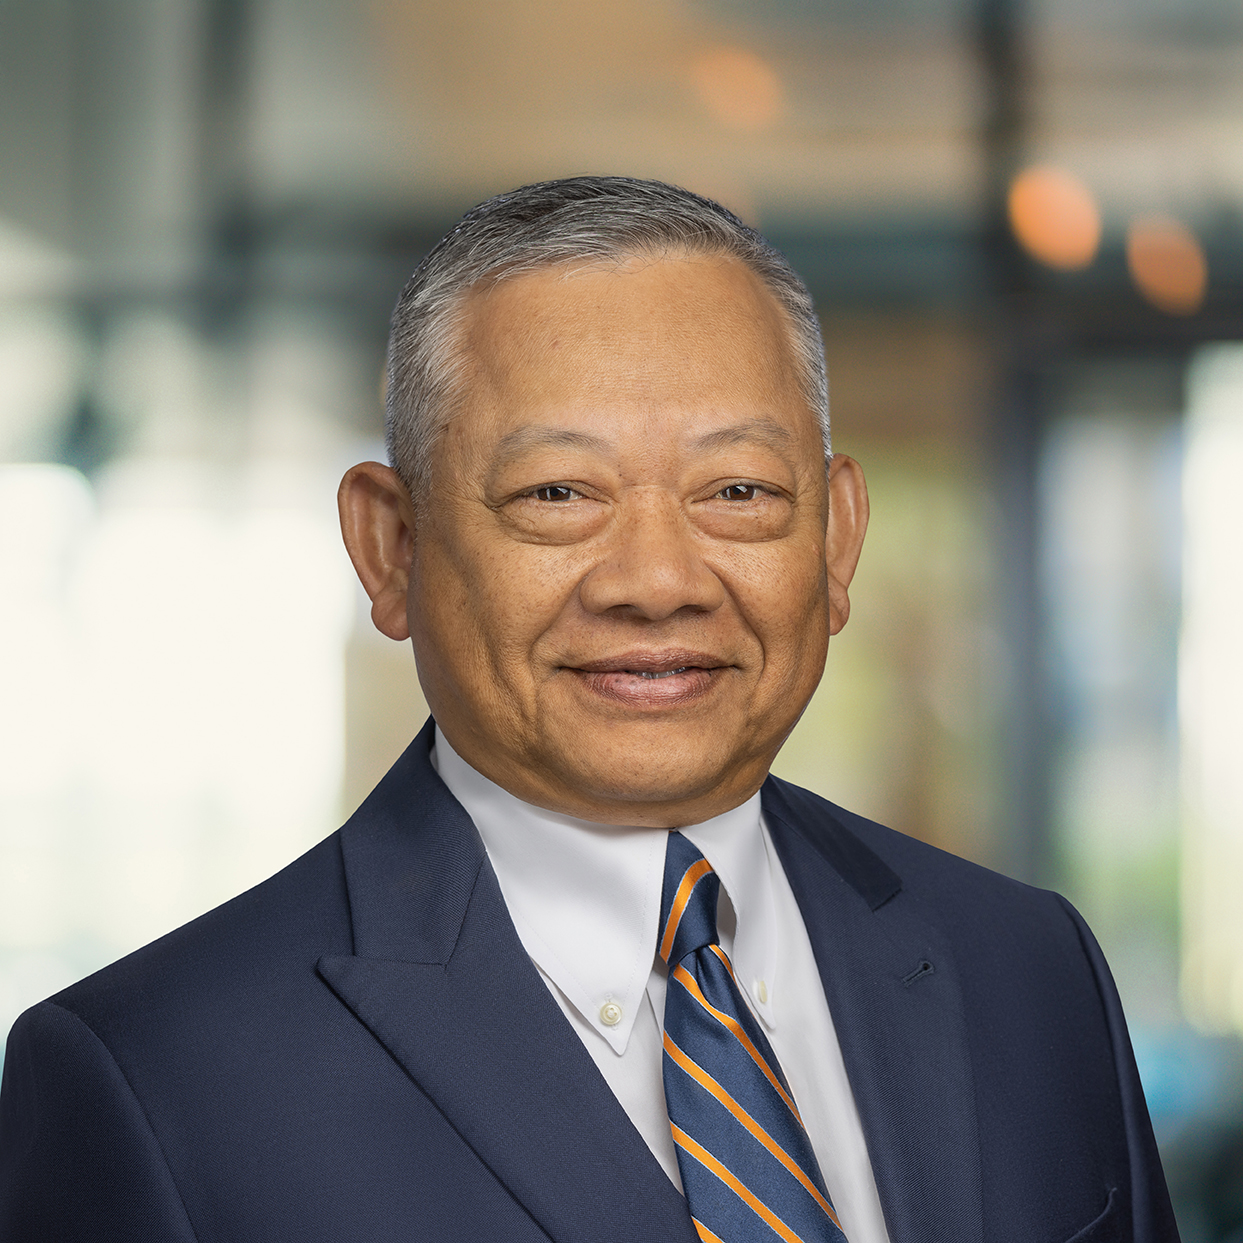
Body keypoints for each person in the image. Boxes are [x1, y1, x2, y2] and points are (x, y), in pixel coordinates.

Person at [0, 177, 1177, 1243]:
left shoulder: (1030, 967)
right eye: (558, 492)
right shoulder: (156, 1077)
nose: (657, 579)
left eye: (738, 490)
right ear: (391, 547)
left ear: (836, 539)